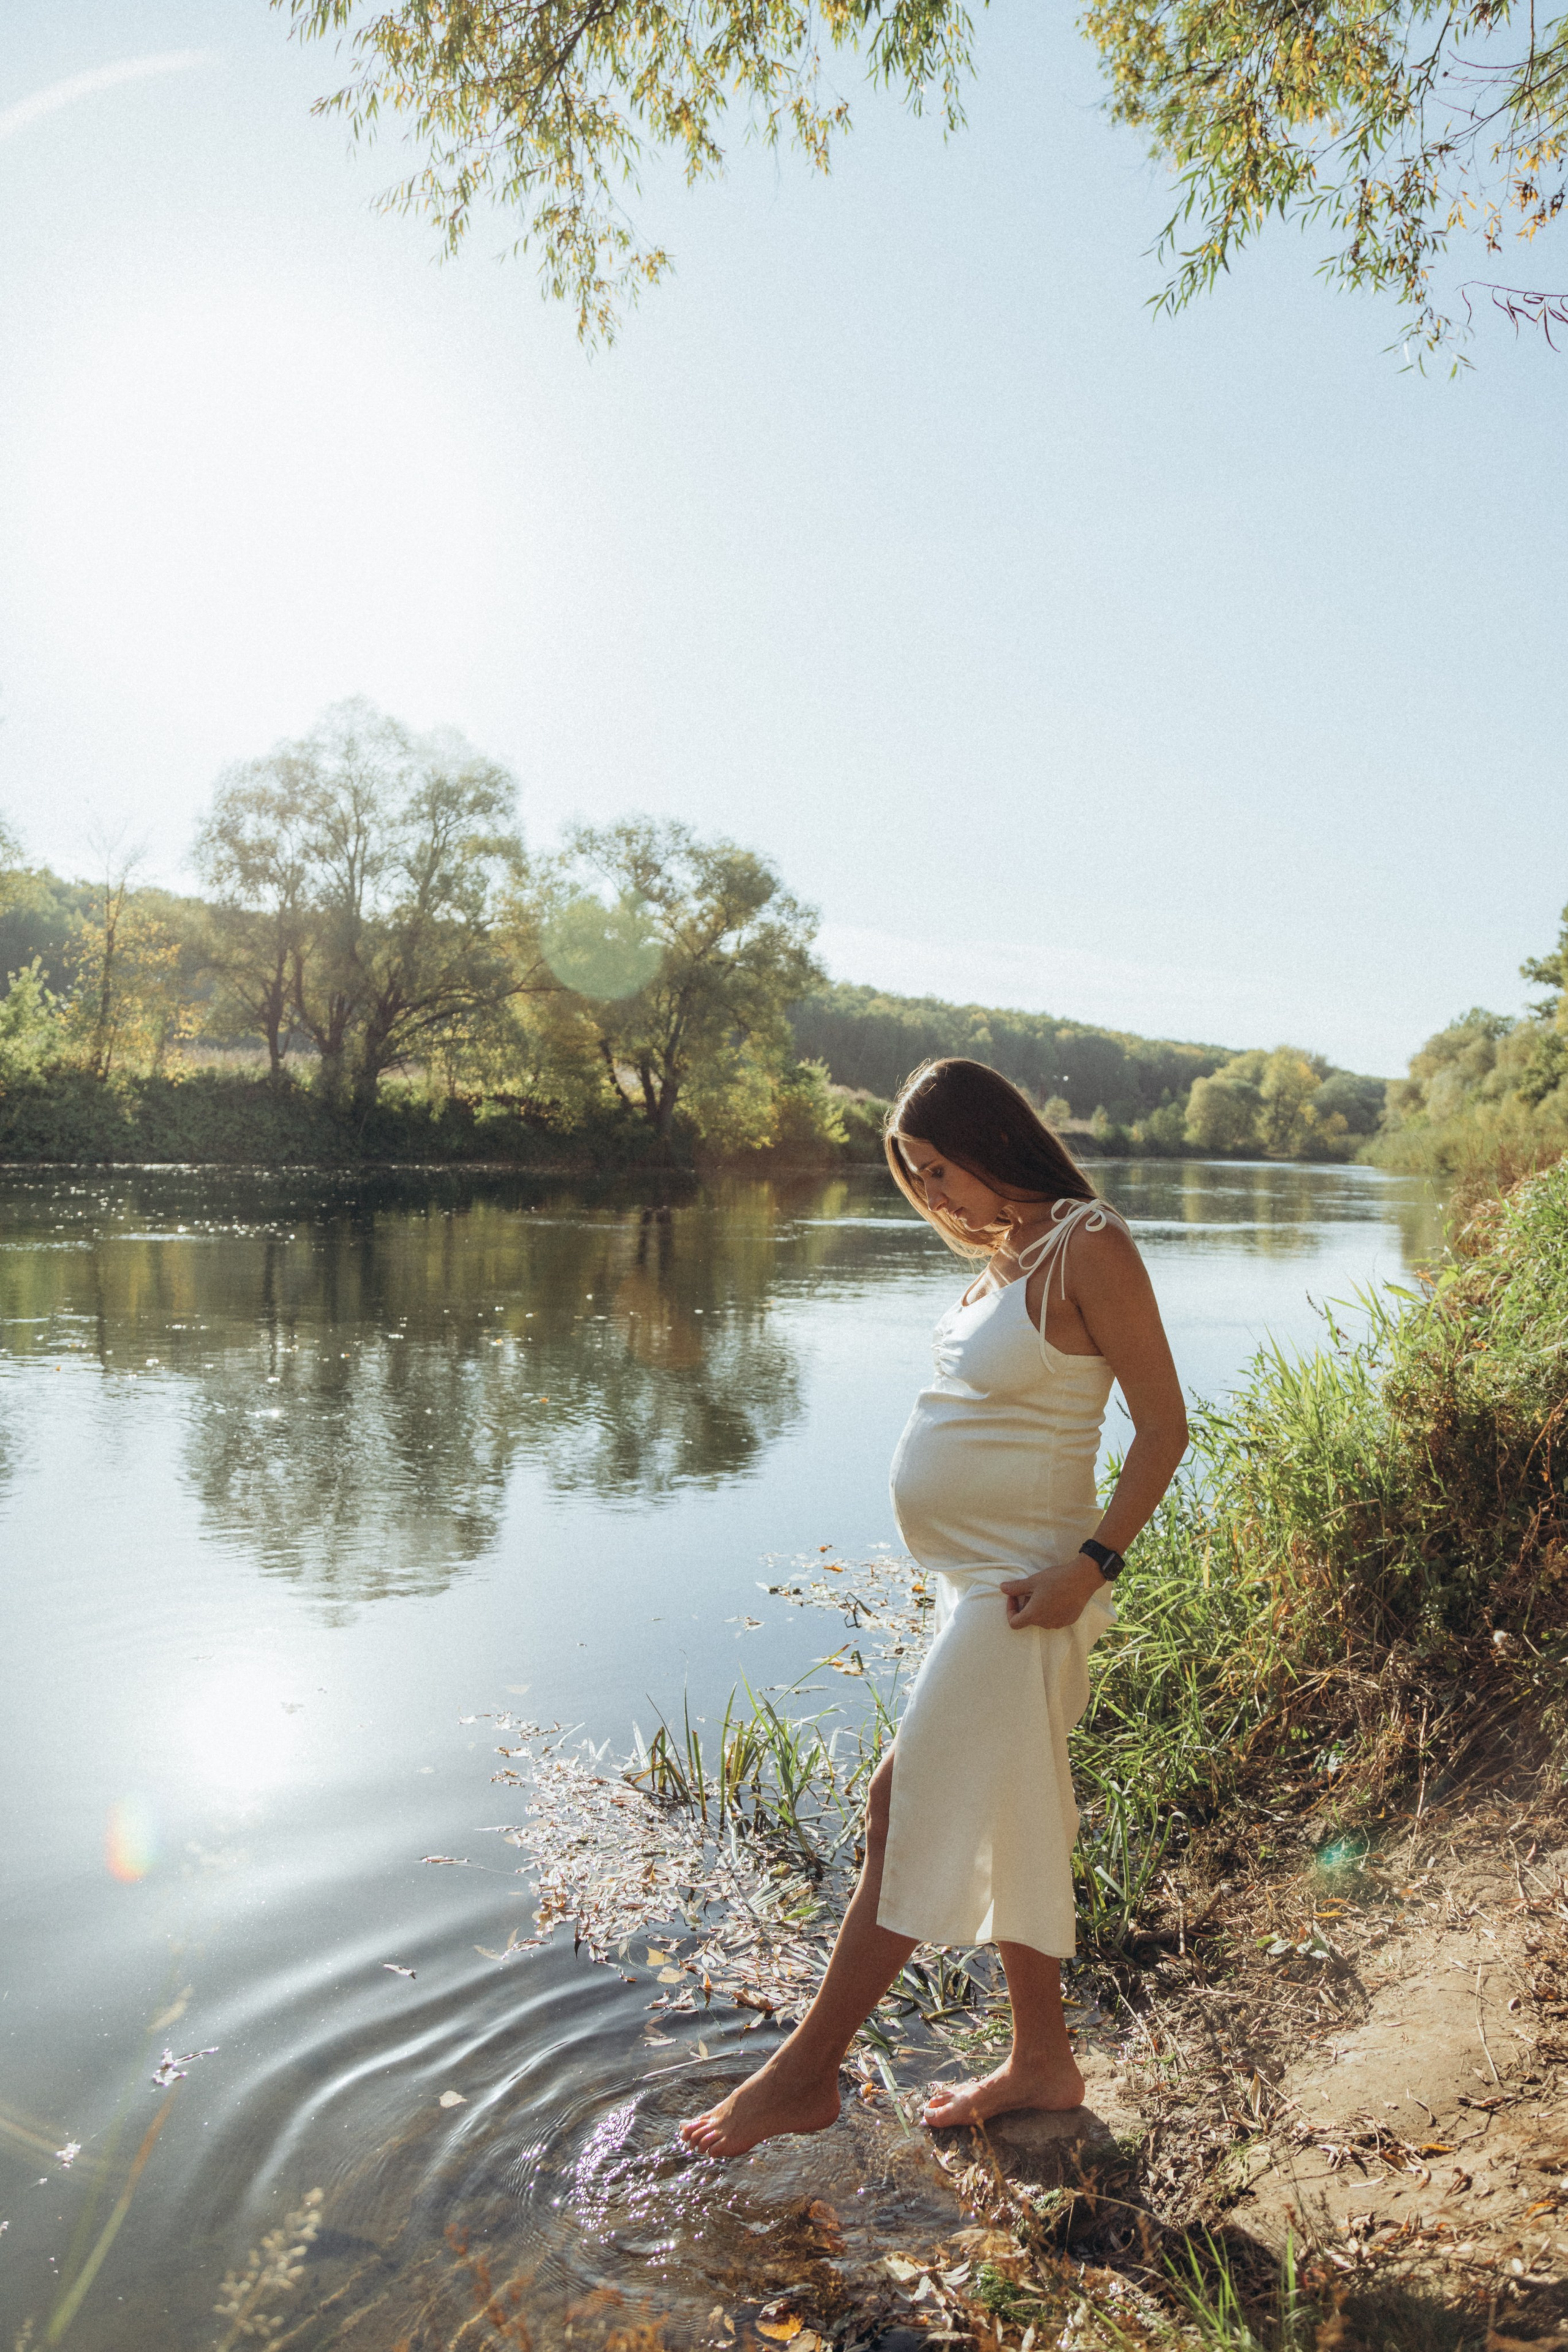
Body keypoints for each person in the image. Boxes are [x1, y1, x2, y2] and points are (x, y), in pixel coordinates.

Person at [680, 1057, 1188, 2158]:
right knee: (989, 1809)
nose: (932, 1195)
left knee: (897, 1816)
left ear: (991, 1140)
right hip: (976, 1585)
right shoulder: (1003, 1261)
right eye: (913, 1177)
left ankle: (802, 2077)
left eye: (938, 1167)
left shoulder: (1084, 1244)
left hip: (1028, 1592)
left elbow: (1163, 1430)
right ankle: (1042, 2059)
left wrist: (1092, 1565)